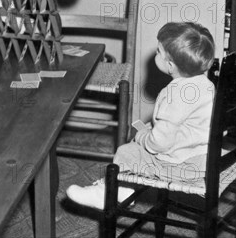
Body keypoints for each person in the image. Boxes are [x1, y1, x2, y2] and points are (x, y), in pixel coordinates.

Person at [66, 22, 216, 209]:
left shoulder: (173, 94)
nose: (156, 54)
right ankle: (124, 189)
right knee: (139, 143)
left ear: (170, 65)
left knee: (126, 151)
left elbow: (159, 144)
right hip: (204, 156)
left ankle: (114, 192)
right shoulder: (207, 84)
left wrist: (143, 136)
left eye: (159, 52)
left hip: (180, 164)